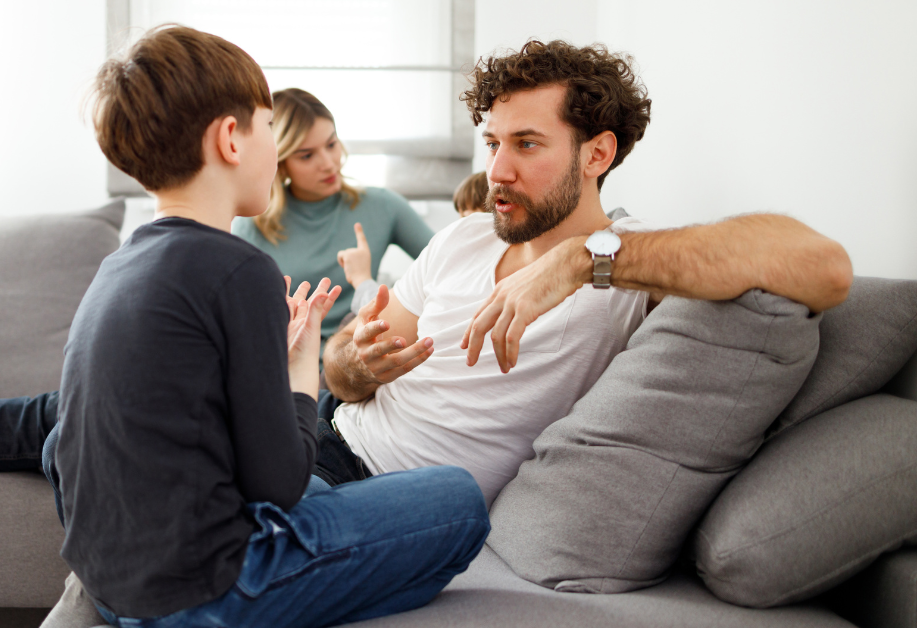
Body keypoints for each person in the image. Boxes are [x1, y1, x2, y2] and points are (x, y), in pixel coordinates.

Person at [0, 26, 489, 628]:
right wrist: (299, 373)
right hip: (206, 591)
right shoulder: (241, 271)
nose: (276, 146)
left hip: (111, 583)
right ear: (231, 138)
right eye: (270, 127)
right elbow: (279, 484)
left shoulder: (122, 264)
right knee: (455, 500)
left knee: (67, 420)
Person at [318, 39, 852, 504]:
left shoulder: (622, 269)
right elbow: (339, 367)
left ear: (597, 154)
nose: (497, 171)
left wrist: (579, 261)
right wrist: (357, 366)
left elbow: (824, 267)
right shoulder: (464, 236)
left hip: (381, 490)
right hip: (327, 433)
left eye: (526, 144)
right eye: (492, 143)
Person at [232, 88, 434, 335]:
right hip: (285, 361)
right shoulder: (251, 225)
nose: (328, 163)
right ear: (280, 162)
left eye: (331, 144)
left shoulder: (383, 206)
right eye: (306, 156)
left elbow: (451, 266)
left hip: (358, 360)